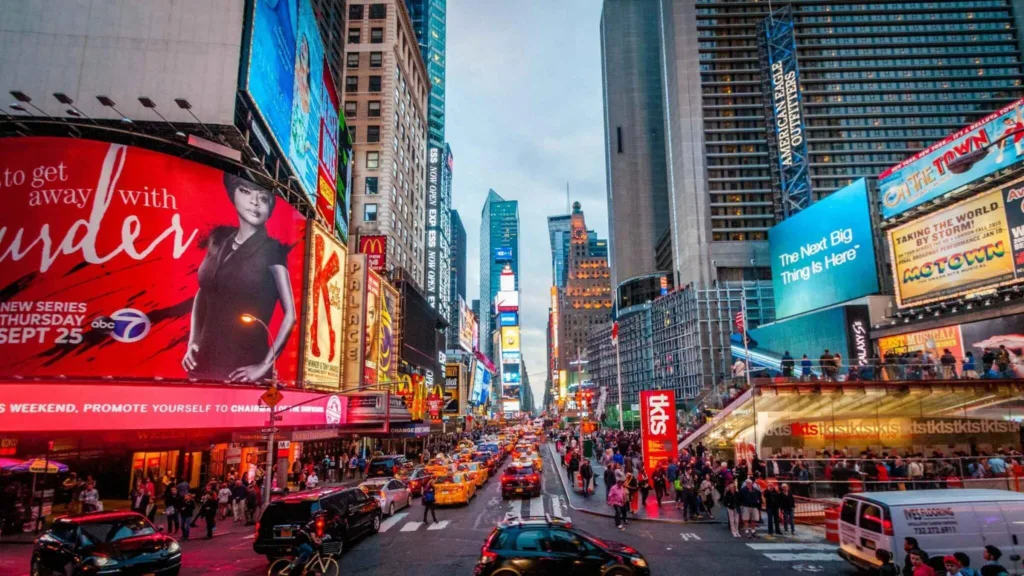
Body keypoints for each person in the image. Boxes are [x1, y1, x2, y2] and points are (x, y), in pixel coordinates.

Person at [181, 173, 297, 383]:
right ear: (232, 194)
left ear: (270, 208)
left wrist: (265, 364)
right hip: (203, 359)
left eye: (263, 198)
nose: (254, 202)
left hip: (244, 362)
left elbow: (291, 314)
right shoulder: (218, 239)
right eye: (245, 192)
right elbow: (204, 291)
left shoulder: (272, 249)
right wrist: (193, 340)